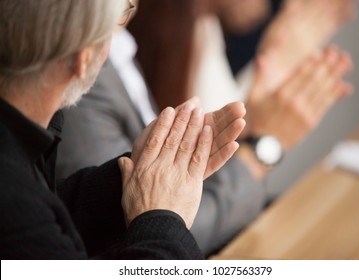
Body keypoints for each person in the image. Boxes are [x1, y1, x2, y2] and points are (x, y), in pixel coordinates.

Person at [57, 0, 353, 256]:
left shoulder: (129, 45)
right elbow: (162, 227)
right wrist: (262, 146)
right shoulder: (86, 66)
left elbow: (175, 200)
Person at [0, 0, 246, 259]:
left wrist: (139, 180)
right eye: (120, 17)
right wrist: (162, 219)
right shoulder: (15, 205)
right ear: (83, 57)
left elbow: (49, 211)